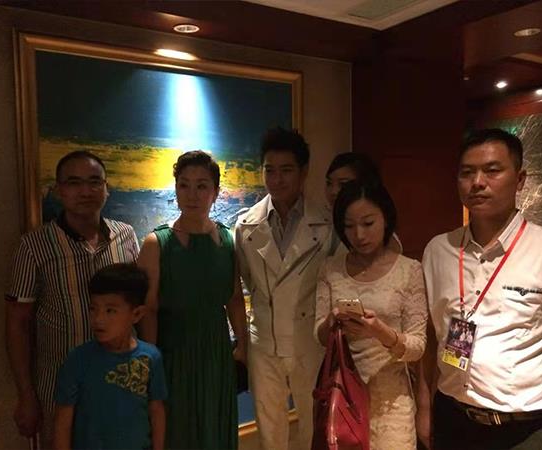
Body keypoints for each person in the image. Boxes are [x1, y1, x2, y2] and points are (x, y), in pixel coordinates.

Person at [420, 128, 542, 450]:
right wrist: (425, 407)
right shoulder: (438, 250)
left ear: (520, 179)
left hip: (530, 431)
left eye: (492, 170)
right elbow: (433, 336)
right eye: (467, 172)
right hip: (454, 420)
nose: (477, 182)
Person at [5, 150, 139, 448]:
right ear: (58, 190)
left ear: (106, 188)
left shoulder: (126, 236)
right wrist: (25, 395)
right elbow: (18, 324)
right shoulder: (34, 247)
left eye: (94, 182)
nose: (86, 191)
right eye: (74, 183)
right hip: (61, 388)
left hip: (120, 382)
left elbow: (137, 306)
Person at [138, 150, 247, 450]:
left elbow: (234, 299)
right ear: (175, 189)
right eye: (184, 185)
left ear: (215, 192)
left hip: (216, 352)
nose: (192, 194)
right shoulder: (156, 243)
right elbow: (148, 310)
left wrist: (243, 347)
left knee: (215, 427)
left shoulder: (228, 240)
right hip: (173, 352)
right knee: (178, 431)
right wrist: (150, 362)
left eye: (201, 186)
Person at [234, 127, 333, 450]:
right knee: (270, 430)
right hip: (264, 341)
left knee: (313, 426)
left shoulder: (327, 224)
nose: (277, 179)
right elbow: (247, 282)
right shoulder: (245, 225)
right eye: (270, 170)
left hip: (310, 340)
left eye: (286, 170)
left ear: (303, 172)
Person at [315, 180, 427, 450]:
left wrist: (380, 331)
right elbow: (319, 336)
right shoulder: (330, 268)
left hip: (392, 402)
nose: (359, 235)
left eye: (368, 223)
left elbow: (418, 347)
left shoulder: (409, 270)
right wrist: (332, 321)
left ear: (386, 218)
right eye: (349, 226)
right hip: (343, 399)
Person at [53, 263, 167, 450]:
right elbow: (62, 423)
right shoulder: (78, 360)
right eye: (93, 309)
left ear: (136, 314)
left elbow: (156, 411)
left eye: (110, 310)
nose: (98, 319)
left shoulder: (151, 358)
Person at [325, 152, 403, 255]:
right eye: (329, 183)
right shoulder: (328, 220)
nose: (333, 191)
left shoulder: (384, 240)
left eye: (343, 184)